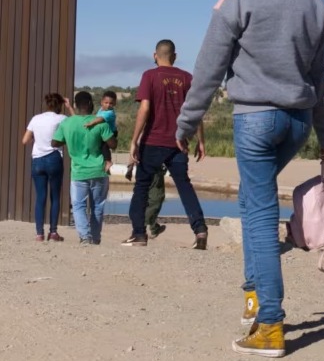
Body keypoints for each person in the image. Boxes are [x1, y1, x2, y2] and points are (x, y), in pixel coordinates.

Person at [176, 0, 324, 358]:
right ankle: (251, 297)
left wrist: (186, 125)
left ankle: (268, 324)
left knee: (261, 216)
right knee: (251, 200)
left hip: (257, 121)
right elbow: (319, 76)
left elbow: (209, 69)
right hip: (298, 121)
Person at [124, 40, 208, 248]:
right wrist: (201, 140)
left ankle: (139, 233)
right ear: (175, 56)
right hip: (179, 142)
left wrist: (134, 140)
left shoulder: (150, 76)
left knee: (142, 187)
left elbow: (144, 109)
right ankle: (200, 230)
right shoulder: (187, 78)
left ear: (155, 55)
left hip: (152, 141)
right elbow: (194, 110)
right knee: (184, 186)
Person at [52, 91, 116, 245]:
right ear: (91, 104)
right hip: (99, 171)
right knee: (98, 206)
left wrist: (69, 140)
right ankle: (95, 238)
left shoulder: (67, 123)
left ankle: (84, 236)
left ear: (75, 105)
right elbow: (113, 144)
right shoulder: (100, 122)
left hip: (79, 172)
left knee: (78, 205)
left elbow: (54, 143)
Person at [22, 93, 72, 241]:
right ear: (60, 105)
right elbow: (76, 122)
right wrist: (70, 107)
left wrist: (37, 140)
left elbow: (25, 140)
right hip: (54, 158)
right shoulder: (62, 118)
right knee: (55, 196)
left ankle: (39, 233)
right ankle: (53, 232)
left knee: (40, 197)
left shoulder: (36, 119)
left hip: (38, 159)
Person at [84, 90, 118, 172]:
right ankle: (105, 163)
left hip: (111, 132)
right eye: (106, 103)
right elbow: (97, 116)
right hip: (104, 132)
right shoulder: (101, 110)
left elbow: (100, 119)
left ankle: (109, 161)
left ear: (114, 104)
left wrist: (91, 123)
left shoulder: (110, 113)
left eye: (111, 103)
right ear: (101, 102)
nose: (108, 105)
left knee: (104, 146)